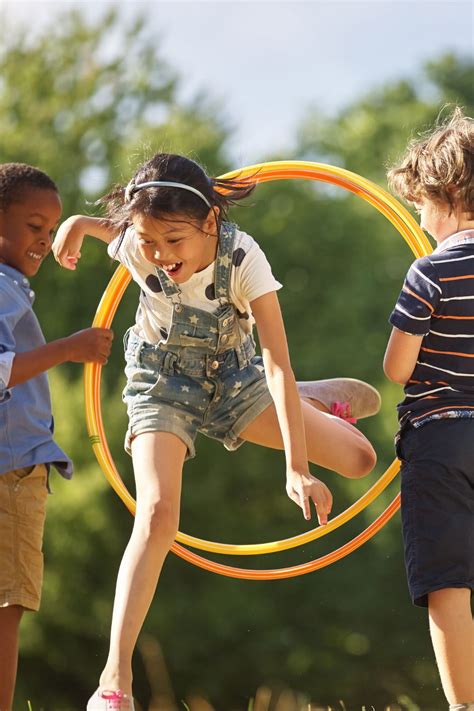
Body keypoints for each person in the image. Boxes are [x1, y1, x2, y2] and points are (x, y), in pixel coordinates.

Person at [53, 152, 380, 709]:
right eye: (149, 242)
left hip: (240, 380)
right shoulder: (139, 242)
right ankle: (114, 681)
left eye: (174, 241)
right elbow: (113, 227)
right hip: (162, 384)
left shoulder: (244, 257)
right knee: (156, 515)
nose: (160, 255)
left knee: (359, 460)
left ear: (209, 222)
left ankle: (305, 397)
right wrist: (73, 225)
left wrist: (296, 468)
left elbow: (276, 360)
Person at [0, 163, 113, 711]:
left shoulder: (11, 286)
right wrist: (69, 348)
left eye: (50, 230)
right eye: (33, 227)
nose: (43, 242)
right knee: (7, 607)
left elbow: (144, 241)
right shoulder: (2, 289)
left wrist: (85, 225)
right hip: (10, 470)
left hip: (16, 465)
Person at [383, 108, 474, 711]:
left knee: (448, 584)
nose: (419, 219)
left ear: (442, 197)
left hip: (441, 442)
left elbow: (396, 368)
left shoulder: (430, 269)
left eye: (419, 204)